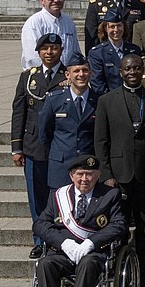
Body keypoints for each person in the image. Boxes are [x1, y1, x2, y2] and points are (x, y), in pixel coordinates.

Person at [93, 53, 145, 287]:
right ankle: (119, 272)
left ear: (143, 70)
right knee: (120, 227)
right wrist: (106, 174)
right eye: (128, 69)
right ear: (120, 71)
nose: (133, 72)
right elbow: (101, 141)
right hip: (118, 176)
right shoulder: (107, 100)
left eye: (137, 68)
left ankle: (143, 272)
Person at [32, 155, 128, 287]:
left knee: (88, 263)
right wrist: (64, 243)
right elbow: (40, 224)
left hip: (92, 252)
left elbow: (119, 225)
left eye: (90, 174)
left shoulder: (109, 195)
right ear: (71, 176)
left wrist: (91, 243)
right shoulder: (58, 196)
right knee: (45, 264)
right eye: (80, 174)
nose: (85, 179)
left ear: (98, 175)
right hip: (63, 253)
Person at [11, 33, 68, 258]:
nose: (49, 53)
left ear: (61, 51)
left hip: (60, 146)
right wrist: (16, 147)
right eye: (45, 49)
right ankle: (40, 240)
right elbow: (19, 112)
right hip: (33, 146)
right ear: (38, 52)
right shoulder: (28, 77)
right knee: (36, 197)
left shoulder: (69, 74)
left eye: (54, 48)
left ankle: (59, 239)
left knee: (60, 196)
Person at [38, 53, 101, 190]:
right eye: (76, 71)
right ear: (68, 74)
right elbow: (44, 133)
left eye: (85, 70)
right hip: (61, 166)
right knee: (60, 209)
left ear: (91, 73)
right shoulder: (54, 100)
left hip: (88, 167)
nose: (81, 74)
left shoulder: (100, 101)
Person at [21, 0, 80, 69]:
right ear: (42, 0)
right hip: (43, 76)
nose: (56, 0)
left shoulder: (69, 22)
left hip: (66, 76)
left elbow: (75, 51)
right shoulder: (34, 22)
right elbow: (32, 57)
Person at [87, 8, 143, 94]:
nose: (116, 30)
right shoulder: (97, 53)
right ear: (106, 28)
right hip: (110, 101)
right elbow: (97, 84)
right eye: (112, 26)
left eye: (119, 25)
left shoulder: (134, 50)